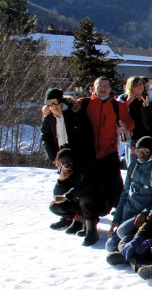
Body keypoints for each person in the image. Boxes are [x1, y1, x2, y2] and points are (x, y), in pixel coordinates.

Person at [78, 77, 135, 230]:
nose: (103, 88)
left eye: (106, 86)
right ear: (93, 88)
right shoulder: (83, 103)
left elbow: (130, 123)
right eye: (99, 86)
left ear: (110, 89)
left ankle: (121, 218)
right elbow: (64, 109)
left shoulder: (118, 106)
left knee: (115, 186)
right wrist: (47, 109)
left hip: (109, 152)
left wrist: (125, 126)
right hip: (88, 154)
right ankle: (85, 219)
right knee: (88, 187)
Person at [41, 88, 94, 230]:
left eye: (56, 102)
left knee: (78, 188)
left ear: (61, 101)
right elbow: (45, 136)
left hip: (79, 158)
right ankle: (67, 216)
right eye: (49, 103)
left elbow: (87, 135)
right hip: (62, 159)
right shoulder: (49, 118)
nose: (53, 106)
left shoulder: (74, 114)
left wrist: (82, 157)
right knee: (62, 187)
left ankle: (83, 220)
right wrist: (54, 157)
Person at [105, 136, 152, 252]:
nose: (141, 154)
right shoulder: (133, 167)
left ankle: (135, 246)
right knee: (110, 246)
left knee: (122, 232)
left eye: (145, 151)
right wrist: (116, 219)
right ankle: (131, 247)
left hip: (145, 216)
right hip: (129, 213)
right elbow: (124, 194)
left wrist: (145, 212)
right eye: (138, 151)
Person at [49, 147, 113, 246]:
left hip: (100, 204)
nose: (66, 164)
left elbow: (88, 185)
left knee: (85, 197)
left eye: (67, 160)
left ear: (73, 158)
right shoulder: (67, 171)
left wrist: (67, 196)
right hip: (82, 205)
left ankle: (92, 231)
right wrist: (61, 181)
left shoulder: (87, 167)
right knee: (55, 206)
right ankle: (83, 221)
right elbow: (58, 195)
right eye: (62, 162)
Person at [118, 76, 152, 166]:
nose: (139, 87)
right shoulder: (123, 98)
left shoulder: (148, 97)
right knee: (132, 164)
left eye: (141, 84)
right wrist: (127, 103)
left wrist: (147, 107)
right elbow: (119, 114)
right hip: (131, 136)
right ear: (130, 87)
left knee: (145, 163)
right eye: (135, 85)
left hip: (145, 135)